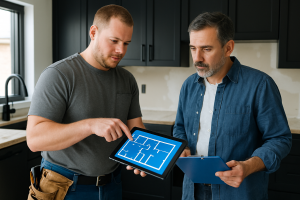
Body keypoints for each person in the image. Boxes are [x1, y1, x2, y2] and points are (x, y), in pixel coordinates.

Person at [26, 5, 146, 200]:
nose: (120, 50)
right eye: (114, 41)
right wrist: (90, 125)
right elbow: (34, 140)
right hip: (63, 188)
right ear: (93, 32)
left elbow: (137, 131)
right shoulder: (59, 75)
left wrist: (146, 158)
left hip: (111, 186)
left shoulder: (127, 80)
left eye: (126, 43)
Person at [173, 12, 292, 200]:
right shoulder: (189, 85)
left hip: (239, 193)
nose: (197, 58)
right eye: (193, 48)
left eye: (206, 49)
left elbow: (279, 139)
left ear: (228, 48)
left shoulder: (260, 85)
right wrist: (182, 146)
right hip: (192, 191)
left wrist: (248, 166)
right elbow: (180, 129)